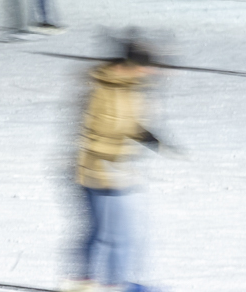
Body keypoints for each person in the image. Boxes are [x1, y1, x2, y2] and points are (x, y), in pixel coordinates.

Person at [66, 40, 169, 292]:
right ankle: (114, 285)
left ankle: (85, 281)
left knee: (101, 232)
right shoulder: (109, 90)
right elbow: (99, 130)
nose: (151, 72)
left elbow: (125, 123)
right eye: (147, 67)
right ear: (132, 65)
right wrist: (117, 156)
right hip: (103, 172)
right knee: (117, 236)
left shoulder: (126, 86)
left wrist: (146, 135)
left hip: (105, 170)